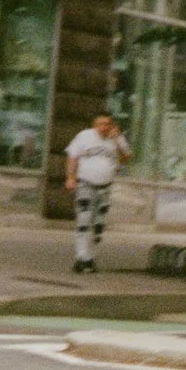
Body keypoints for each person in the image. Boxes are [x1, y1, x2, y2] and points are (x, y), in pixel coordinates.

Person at [62, 113, 130, 273]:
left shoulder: (117, 139)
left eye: (108, 124)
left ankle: (91, 258)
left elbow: (125, 159)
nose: (104, 127)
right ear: (94, 125)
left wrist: (118, 142)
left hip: (105, 187)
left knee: (98, 224)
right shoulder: (84, 137)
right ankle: (81, 257)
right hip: (86, 183)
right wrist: (70, 178)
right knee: (84, 220)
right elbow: (72, 157)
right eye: (101, 123)